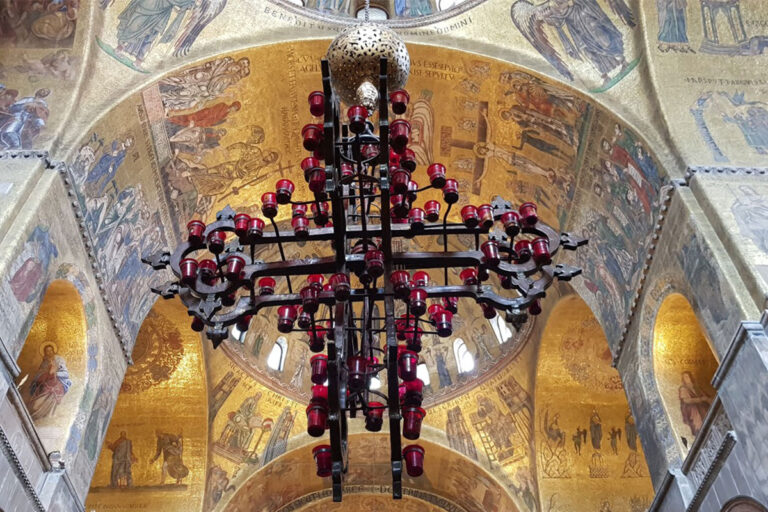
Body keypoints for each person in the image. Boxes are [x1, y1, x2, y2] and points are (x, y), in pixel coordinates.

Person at [114, 0, 195, 69]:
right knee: (135, 25)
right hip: (149, 5)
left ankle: (139, 60)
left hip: (162, 13)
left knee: (151, 34)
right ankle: (120, 48)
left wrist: (189, 3)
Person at [27, 343, 71, 420]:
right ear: (45, 353)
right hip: (46, 382)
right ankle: (35, 414)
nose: (49, 352)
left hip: (55, 384)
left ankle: (43, 416)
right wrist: (41, 376)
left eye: (51, 350)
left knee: (48, 399)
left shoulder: (58, 360)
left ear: (54, 351)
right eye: (47, 351)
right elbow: (40, 372)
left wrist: (55, 373)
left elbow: (65, 374)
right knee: (37, 403)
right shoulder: (45, 361)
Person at [679, 371, 712, 437]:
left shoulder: (696, 387)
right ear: (683, 379)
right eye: (685, 377)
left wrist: (707, 399)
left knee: (708, 419)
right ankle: (701, 433)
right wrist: (700, 399)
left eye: (688, 376)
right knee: (698, 422)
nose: (688, 378)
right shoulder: (683, 389)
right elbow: (686, 400)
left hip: (702, 407)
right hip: (693, 410)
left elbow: (704, 396)